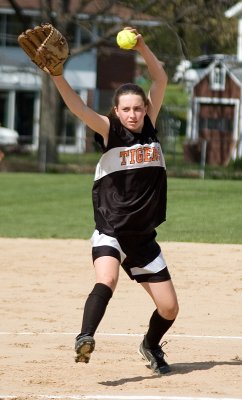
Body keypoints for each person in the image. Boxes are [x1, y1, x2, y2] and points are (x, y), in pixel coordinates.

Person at [51, 27, 179, 375]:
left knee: (169, 309)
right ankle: (85, 337)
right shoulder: (109, 130)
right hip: (111, 230)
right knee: (106, 280)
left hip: (143, 237)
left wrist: (142, 45)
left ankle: (150, 345)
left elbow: (160, 77)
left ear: (145, 109)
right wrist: (58, 75)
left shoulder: (150, 127)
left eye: (138, 108)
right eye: (127, 109)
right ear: (117, 111)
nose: (134, 114)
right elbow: (78, 107)